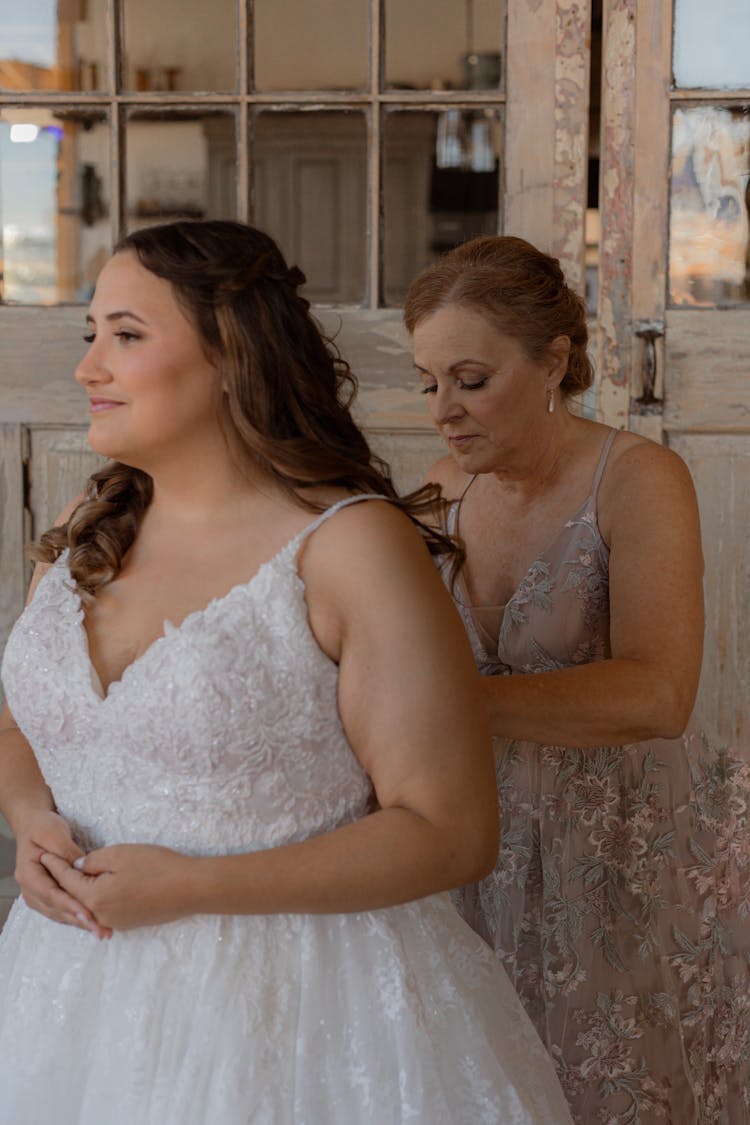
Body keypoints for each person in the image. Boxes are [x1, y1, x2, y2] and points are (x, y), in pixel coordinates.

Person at [0, 220, 573, 1125]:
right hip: (68, 997)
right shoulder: (86, 526)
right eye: (90, 336)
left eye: (126, 334)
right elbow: (23, 724)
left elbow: (451, 830)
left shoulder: (349, 547)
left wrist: (193, 886)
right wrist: (32, 821)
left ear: (230, 353)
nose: (88, 369)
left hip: (302, 1015)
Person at [404, 234, 750, 1125]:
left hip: (624, 854)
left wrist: (443, 707)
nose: (443, 408)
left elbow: (659, 694)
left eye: (470, 379)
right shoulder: (442, 489)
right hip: (478, 841)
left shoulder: (637, 480)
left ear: (553, 360)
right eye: (428, 381)